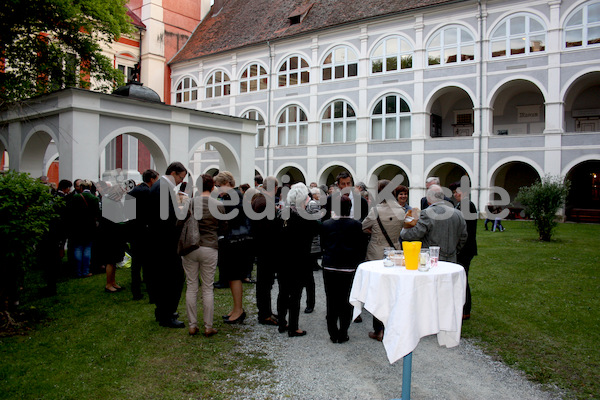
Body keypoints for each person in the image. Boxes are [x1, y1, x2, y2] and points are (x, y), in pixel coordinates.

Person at [182, 174, 228, 337]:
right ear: (212, 186)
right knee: (208, 287)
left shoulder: (190, 203)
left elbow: (179, 223)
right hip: (209, 246)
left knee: (192, 285)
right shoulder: (218, 205)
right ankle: (208, 326)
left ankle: (192, 325)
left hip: (190, 246)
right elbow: (223, 227)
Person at [362, 180, 405, 341]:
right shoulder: (400, 211)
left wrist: (372, 231)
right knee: (392, 292)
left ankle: (378, 329)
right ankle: (390, 326)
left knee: (378, 292)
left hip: (377, 251)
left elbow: (363, 226)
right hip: (394, 251)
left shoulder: (376, 210)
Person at [321, 196, 366, 343]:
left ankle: (332, 333)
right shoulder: (357, 225)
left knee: (331, 299)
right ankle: (343, 332)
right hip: (348, 267)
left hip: (330, 266)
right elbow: (361, 247)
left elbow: (323, 244)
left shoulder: (326, 224)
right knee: (346, 301)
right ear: (350, 208)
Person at [148, 162, 188, 328]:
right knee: (173, 278)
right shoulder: (163, 187)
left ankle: (163, 311)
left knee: (165, 278)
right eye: (180, 177)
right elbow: (168, 218)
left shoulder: (160, 186)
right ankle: (167, 314)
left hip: (160, 241)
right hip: (165, 242)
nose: (180, 181)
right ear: (173, 172)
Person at [278, 183, 319, 337]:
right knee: (295, 294)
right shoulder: (305, 219)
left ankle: (282, 322)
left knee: (282, 292)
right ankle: (293, 327)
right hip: (300, 260)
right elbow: (318, 230)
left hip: (283, 260)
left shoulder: (282, 215)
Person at [215, 171, 253, 325]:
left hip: (236, 241)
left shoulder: (232, 196)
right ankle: (236, 309)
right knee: (232, 276)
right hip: (238, 239)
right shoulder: (235, 195)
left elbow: (228, 218)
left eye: (219, 185)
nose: (217, 189)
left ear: (226, 183)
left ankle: (238, 310)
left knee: (235, 275)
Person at [401, 184, 467, 263]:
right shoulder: (458, 214)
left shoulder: (426, 213)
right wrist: (453, 250)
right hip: (451, 258)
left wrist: (404, 230)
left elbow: (415, 234)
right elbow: (463, 237)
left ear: (428, 198)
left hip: (431, 259)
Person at [250, 176, 282, 326]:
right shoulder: (265, 203)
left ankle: (266, 311)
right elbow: (269, 229)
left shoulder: (260, 200)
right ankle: (264, 314)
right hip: (266, 248)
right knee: (265, 283)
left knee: (265, 282)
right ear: (275, 188)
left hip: (262, 247)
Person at [127, 169, 159, 301]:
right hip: (145, 231)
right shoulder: (148, 192)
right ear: (151, 179)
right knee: (148, 262)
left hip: (134, 230)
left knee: (136, 263)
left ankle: (136, 290)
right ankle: (149, 289)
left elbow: (128, 213)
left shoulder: (132, 192)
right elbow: (152, 212)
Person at [453, 185, 478, 320]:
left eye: (456, 192)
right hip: (464, 247)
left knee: (463, 279)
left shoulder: (467, 205)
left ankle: (465, 309)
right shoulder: (462, 205)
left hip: (465, 248)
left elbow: (464, 229)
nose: (455, 194)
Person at [66, 179, 100, 278]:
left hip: (77, 226)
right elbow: (97, 213)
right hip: (90, 226)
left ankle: (78, 271)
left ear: (81, 188)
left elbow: (71, 212)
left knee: (78, 248)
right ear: (89, 188)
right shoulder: (94, 198)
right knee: (87, 248)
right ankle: (85, 270)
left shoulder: (76, 197)